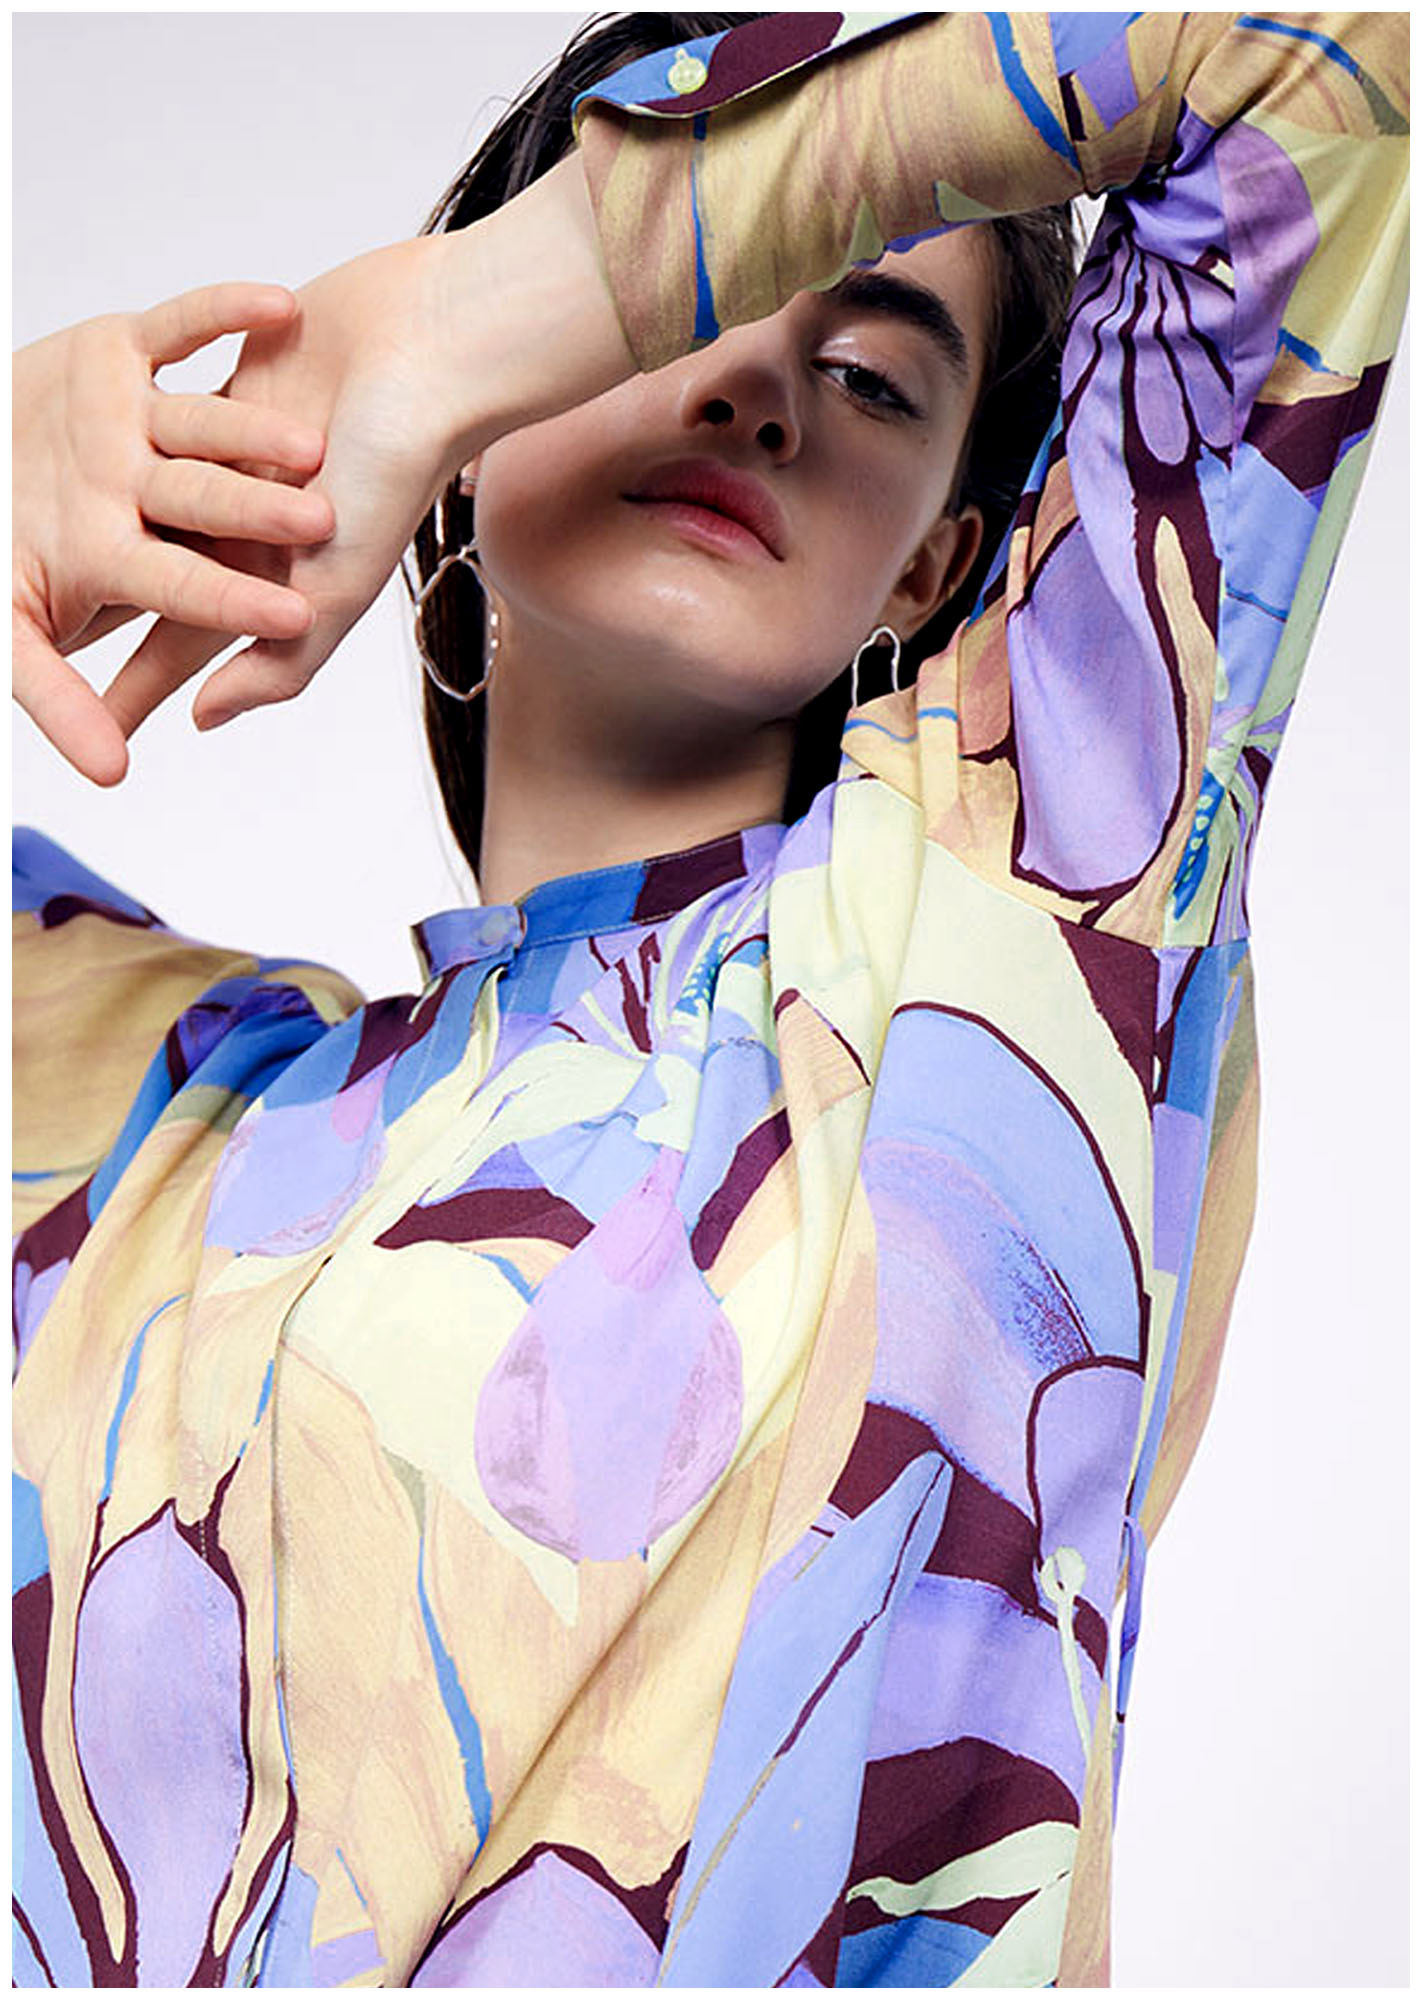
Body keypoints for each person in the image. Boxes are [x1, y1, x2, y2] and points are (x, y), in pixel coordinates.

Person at [12, 11, 1408, 1989]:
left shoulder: (1020, 922)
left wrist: (486, 309)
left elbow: (1309, 55)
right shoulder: (135, 1094)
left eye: (867, 374)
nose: (756, 385)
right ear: (465, 450)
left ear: (931, 566)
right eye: (693, 312)